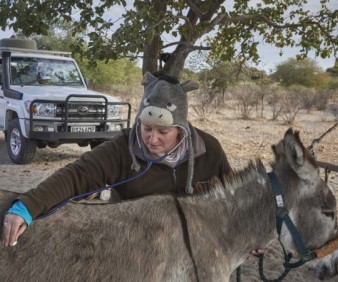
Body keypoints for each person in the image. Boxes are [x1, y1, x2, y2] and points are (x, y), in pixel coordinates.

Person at [2, 72, 233, 247]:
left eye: (163, 132)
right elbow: (78, 175)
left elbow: (234, 196)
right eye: (147, 128)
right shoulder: (122, 147)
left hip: (191, 244)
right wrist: (27, 206)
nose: (152, 140)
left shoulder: (208, 150)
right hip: (133, 241)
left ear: (181, 129)